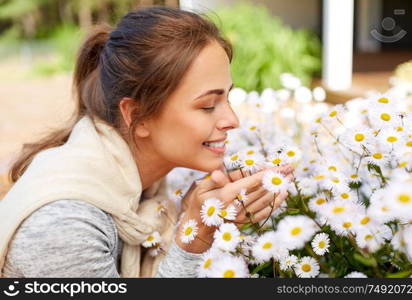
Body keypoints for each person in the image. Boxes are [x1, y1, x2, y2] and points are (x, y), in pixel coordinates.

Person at [0, 6, 292, 278]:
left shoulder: (145, 188)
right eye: (207, 105)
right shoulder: (66, 226)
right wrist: (193, 237)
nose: (233, 120)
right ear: (137, 114)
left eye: (227, 97)